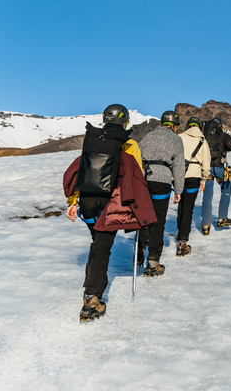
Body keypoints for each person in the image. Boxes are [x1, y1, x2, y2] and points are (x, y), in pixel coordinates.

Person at [63, 104, 157, 321]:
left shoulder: (93, 140)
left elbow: (82, 172)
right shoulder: (129, 143)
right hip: (110, 202)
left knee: (98, 244)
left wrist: (73, 201)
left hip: (87, 201)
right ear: (125, 122)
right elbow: (135, 174)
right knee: (102, 248)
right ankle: (92, 299)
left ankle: (91, 289)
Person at [137, 110, 185, 276]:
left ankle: (139, 253)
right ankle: (153, 261)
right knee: (158, 222)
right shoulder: (176, 140)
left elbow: (137, 157)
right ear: (174, 126)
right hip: (162, 181)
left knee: (142, 218)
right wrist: (179, 190)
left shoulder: (148, 136)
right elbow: (178, 166)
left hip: (143, 180)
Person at [175, 117, 212, 255]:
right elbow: (206, 164)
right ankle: (183, 242)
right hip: (194, 176)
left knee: (181, 203)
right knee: (188, 207)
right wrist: (203, 180)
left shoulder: (179, 137)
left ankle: (179, 231)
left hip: (178, 174)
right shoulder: (202, 140)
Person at [200, 117, 231, 235]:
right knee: (226, 187)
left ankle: (205, 225)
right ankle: (222, 218)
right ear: (220, 126)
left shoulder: (204, 135)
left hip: (207, 169)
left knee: (207, 194)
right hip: (220, 168)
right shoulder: (223, 135)